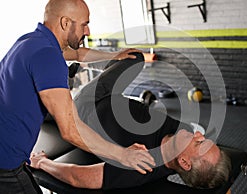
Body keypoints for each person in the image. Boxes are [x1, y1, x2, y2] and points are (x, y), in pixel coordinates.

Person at [0, 0, 154, 193]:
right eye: (84, 24)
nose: (88, 31)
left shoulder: (31, 42)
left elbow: (77, 54)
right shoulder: (47, 57)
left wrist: (114, 55)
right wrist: (123, 155)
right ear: (65, 23)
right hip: (6, 164)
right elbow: (71, 129)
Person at [30, 52, 232, 190]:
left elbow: (78, 177)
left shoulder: (143, 166)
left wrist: (43, 163)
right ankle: (75, 71)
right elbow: (217, 174)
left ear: (184, 162)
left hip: (84, 110)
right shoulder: (183, 132)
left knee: (39, 105)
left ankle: (63, 83)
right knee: (134, 57)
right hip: (110, 95)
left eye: (199, 142)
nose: (199, 133)